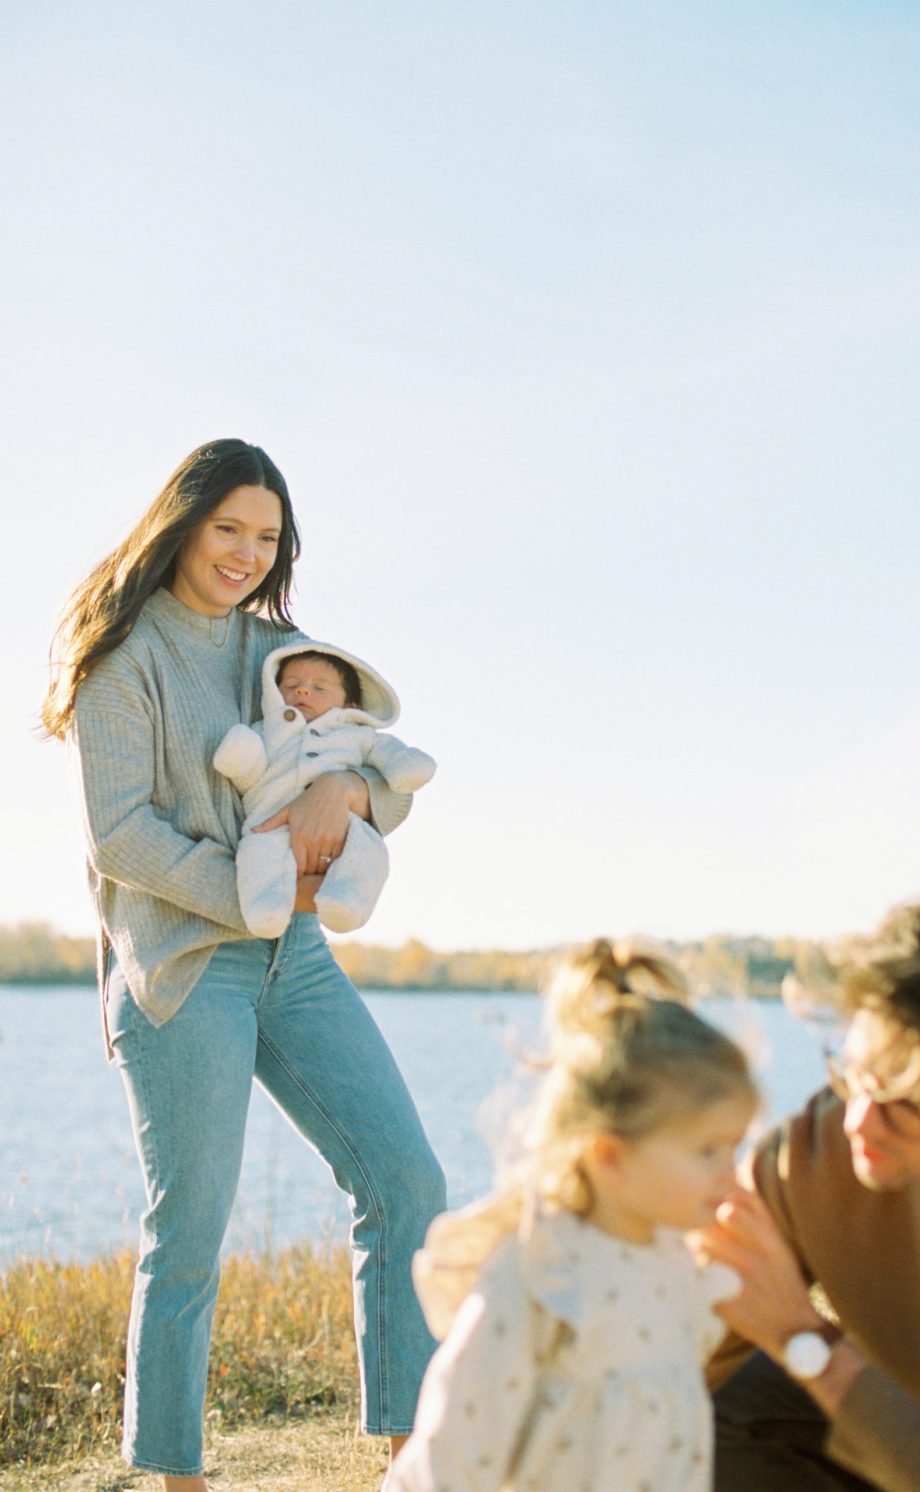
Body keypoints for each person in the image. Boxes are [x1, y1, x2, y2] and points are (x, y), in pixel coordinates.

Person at [41, 438, 447, 1491]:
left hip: (294, 963)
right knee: (188, 1231)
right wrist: (256, 895)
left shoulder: (284, 650)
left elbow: (368, 765)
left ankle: (411, 1460)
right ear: (180, 523)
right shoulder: (120, 659)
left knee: (406, 1179)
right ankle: (176, 1475)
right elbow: (121, 838)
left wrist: (346, 795)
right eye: (228, 528)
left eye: (267, 537)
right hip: (183, 967)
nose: (246, 554)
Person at [384, 937, 759, 1492]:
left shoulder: (683, 1266)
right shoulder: (542, 1272)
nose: (732, 1174)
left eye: (734, 1148)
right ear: (611, 1156)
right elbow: (454, 1451)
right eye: (708, 1152)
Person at [699, 894, 920, 1492]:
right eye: (855, 1074)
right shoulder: (808, 1157)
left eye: (906, 1099)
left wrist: (805, 1343)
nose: (860, 1121)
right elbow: (671, 1358)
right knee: (719, 1410)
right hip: (888, 1442)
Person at [213, 639, 436, 937]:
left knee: (370, 852)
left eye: (320, 688)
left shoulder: (357, 735)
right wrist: (239, 756)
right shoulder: (267, 731)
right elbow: (250, 774)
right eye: (291, 685)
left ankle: (347, 901)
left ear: (350, 705)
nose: (303, 691)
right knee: (257, 854)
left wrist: (406, 768)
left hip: (344, 827)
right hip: (269, 825)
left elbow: (390, 757)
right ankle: (266, 909)